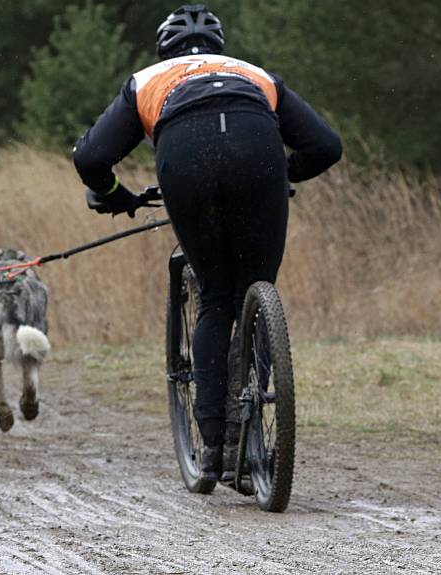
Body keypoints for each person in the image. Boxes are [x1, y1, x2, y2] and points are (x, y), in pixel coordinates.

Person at [72, 4, 342, 483]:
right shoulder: (255, 74)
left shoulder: (147, 80)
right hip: (257, 149)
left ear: (164, 49)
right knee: (253, 288)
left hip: (186, 155)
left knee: (216, 298)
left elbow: (91, 157)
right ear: (219, 49)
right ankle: (251, 438)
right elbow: (326, 147)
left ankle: (214, 444)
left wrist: (117, 197)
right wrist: (281, 176)